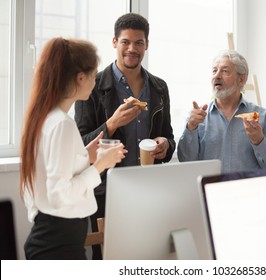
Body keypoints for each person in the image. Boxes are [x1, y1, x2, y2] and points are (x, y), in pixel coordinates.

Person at [74, 13, 175, 259]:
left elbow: (169, 137)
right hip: (105, 191)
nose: (132, 48)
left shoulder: (159, 88)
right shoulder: (92, 85)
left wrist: (165, 144)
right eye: (125, 42)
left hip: (149, 189)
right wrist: (111, 123)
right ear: (114, 43)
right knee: (107, 258)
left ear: (147, 45)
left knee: (148, 257)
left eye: (139, 42)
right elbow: (79, 147)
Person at [20, 37, 127, 260]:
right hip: (58, 244)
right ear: (80, 78)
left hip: (51, 237)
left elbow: (50, 174)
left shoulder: (45, 118)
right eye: (93, 75)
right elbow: (60, 194)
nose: (95, 82)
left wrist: (83, 155)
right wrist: (100, 165)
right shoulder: (62, 124)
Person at [177, 50, 266, 173]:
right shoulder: (197, 117)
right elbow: (185, 162)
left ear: (241, 79)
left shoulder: (262, 117)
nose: (217, 76)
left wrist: (259, 141)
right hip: (210, 190)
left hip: (248, 190)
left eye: (225, 71)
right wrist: (191, 128)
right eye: (214, 71)